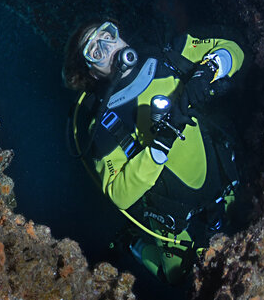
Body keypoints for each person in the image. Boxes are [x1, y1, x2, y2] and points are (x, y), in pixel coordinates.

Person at [63, 20, 245, 283]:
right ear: (92, 72)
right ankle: (134, 243)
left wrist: (208, 70)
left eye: (107, 36)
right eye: (95, 51)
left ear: (120, 36)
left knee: (245, 218)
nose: (107, 47)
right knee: (180, 277)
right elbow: (119, 194)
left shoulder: (169, 56)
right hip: (174, 216)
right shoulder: (102, 127)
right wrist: (159, 147)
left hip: (220, 178)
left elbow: (232, 50)